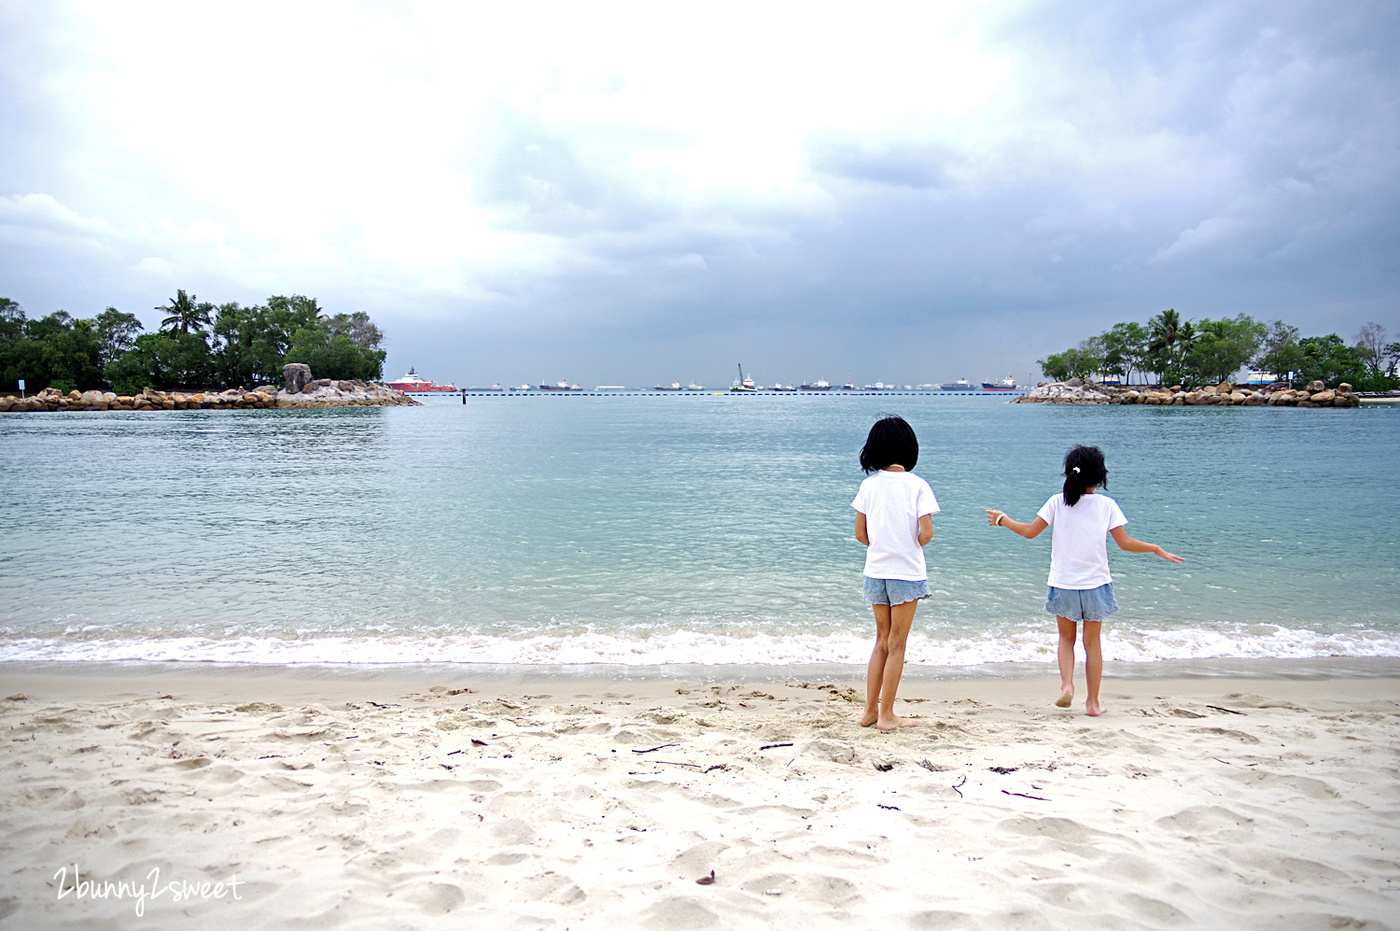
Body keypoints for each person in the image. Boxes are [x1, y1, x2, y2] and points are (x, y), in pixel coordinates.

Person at [985, 445, 1183, 716]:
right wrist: (1155, 548)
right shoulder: (1107, 505)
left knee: (1066, 639)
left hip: (1063, 584)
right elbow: (1124, 544)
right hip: (1096, 586)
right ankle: (1093, 703)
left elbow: (1030, 532)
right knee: (1092, 643)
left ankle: (1067, 686)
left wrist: (1002, 520)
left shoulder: (1057, 501)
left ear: (1068, 472)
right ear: (1101, 478)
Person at [852, 415, 939, 730]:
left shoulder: (868, 485)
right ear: (909, 448)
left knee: (881, 641)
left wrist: (883, 544)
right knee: (898, 643)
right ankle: (887, 715)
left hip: (876, 572)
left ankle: (869, 712)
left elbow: (861, 534)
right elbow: (926, 534)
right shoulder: (918, 485)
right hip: (906, 573)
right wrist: (909, 542)